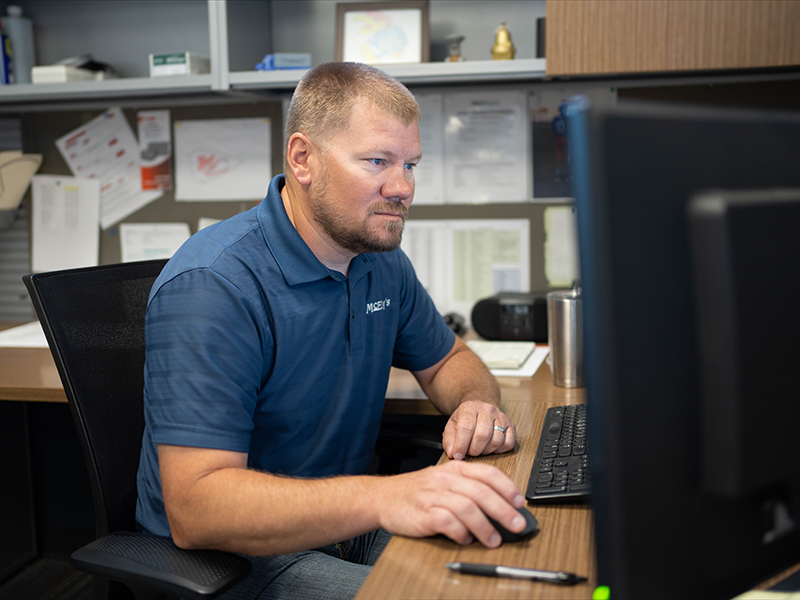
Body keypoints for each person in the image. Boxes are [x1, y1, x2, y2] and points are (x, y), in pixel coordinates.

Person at [136, 62, 527, 600]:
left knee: (512, 571)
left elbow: (448, 360)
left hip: (347, 526)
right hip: (239, 557)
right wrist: (388, 498)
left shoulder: (377, 259)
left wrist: (475, 404)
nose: (403, 187)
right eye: (377, 162)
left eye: (411, 164)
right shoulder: (215, 285)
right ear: (303, 159)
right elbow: (197, 508)